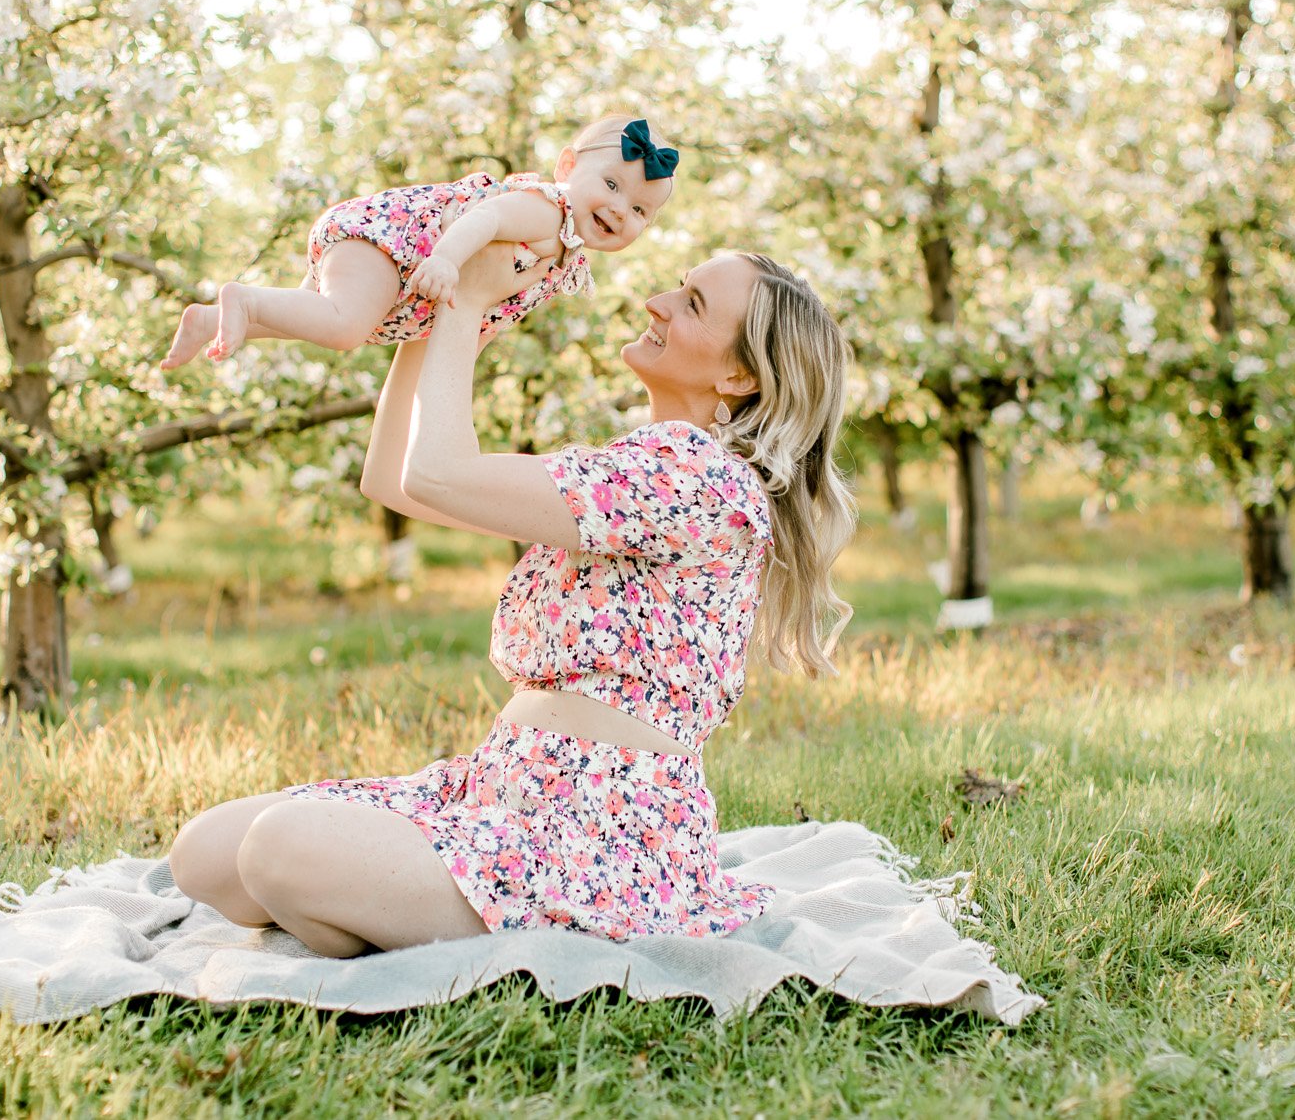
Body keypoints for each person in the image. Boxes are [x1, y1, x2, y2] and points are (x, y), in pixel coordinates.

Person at [166, 241, 856, 956]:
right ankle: (365, 905)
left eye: (693, 305)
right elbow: (396, 481)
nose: (658, 303)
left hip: (598, 830)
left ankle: (371, 913)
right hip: (500, 786)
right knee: (204, 854)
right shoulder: (640, 463)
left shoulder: (697, 478)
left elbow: (438, 475)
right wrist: (428, 322)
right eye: (678, 287)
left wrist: (467, 303)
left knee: (279, 848)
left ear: (740, 373)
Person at [159, 115, 677, 367]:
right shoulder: (547, 208)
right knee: (343, 327)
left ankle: (212, 320)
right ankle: (243, 298)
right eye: (611, 185)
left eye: (638, 210)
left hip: (391, 265)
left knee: (314, 319)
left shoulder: (564, 251)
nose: (618, 209)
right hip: (393, 246)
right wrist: (448, 261)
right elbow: (488, 220)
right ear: (567, 167)